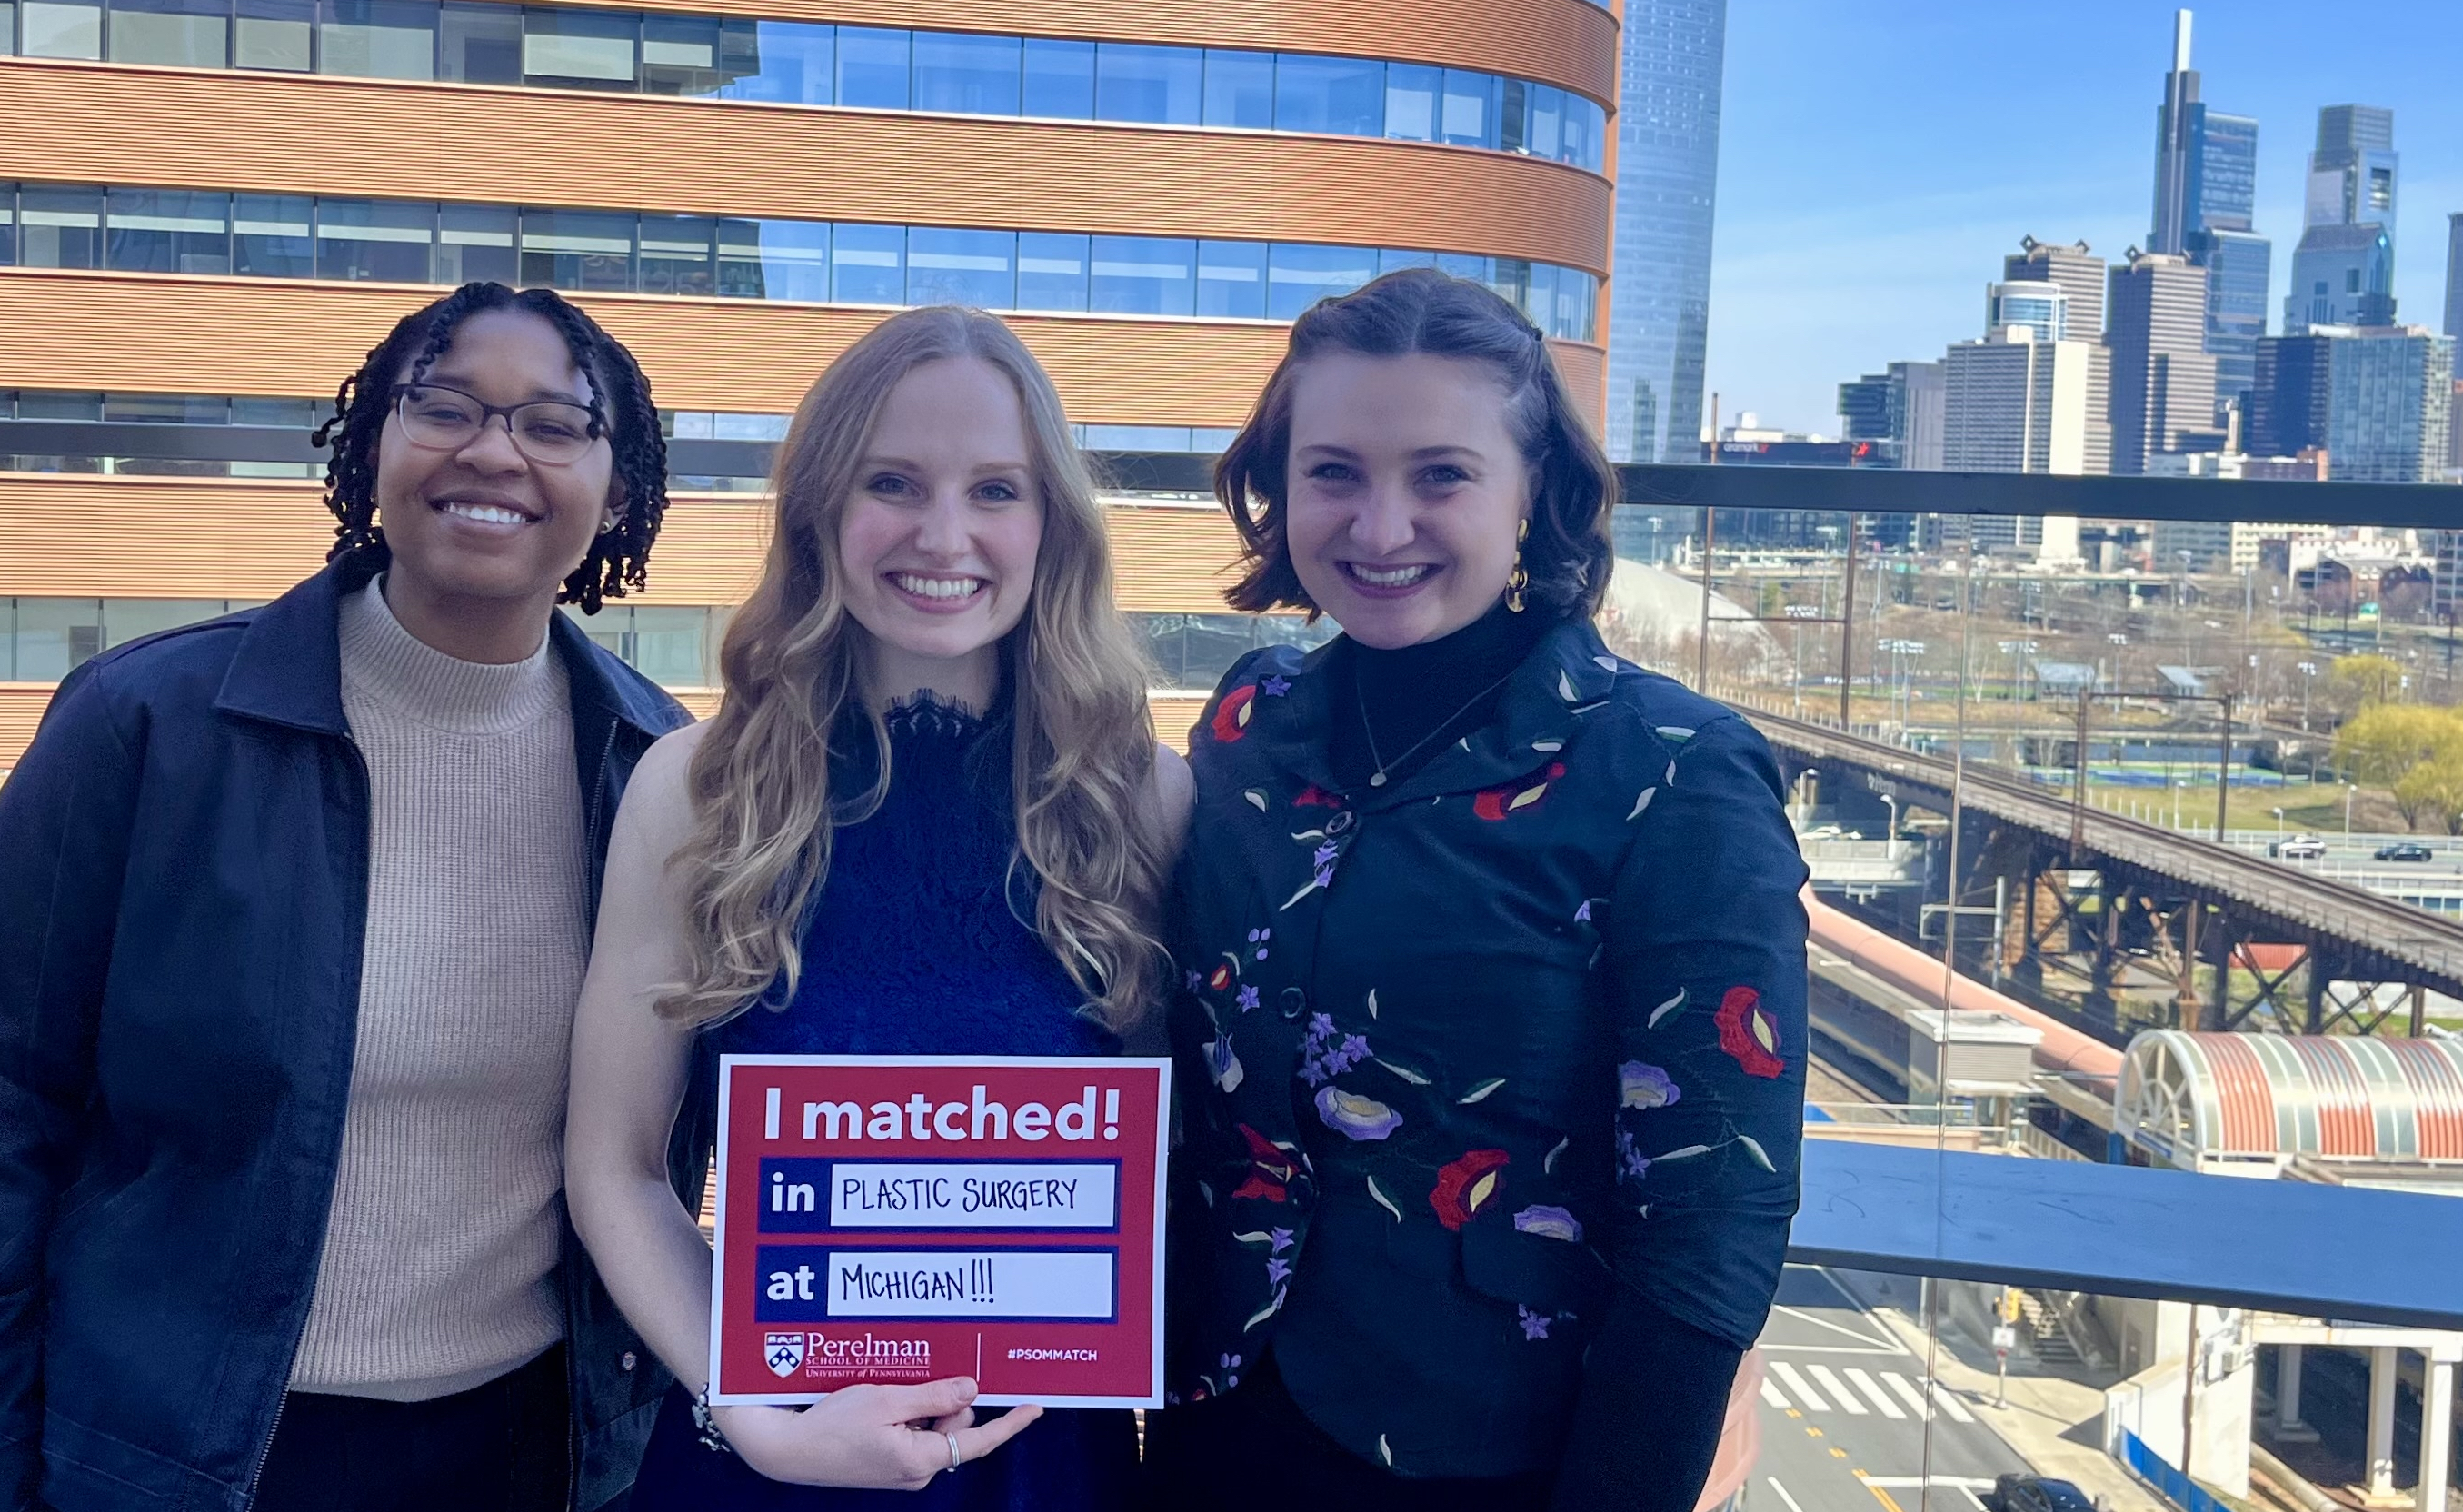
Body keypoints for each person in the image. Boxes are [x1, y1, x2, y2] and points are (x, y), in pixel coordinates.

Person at [0, 283, 692, 1512]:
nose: (491, 452)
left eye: (552, 426)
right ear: (372, 448)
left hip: (532, 1455)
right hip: (187, 1464)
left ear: (615, 492)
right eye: (446, 408)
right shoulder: (149, 727)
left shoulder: (656, 773)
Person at [1142, 270, 1808, 1512]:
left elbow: (1713, 1209)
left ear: (1533, 497)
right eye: (1332, 471)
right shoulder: (1250, 721)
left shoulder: (1671, 772)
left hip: (1498, 1457)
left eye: (1438, 475)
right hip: (1218, 1415)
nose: (1378, 525)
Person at [563, 305, 1193, 1508]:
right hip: (773, 1460)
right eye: (891, 482)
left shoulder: (1142, 801)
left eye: (996, 490)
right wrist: (749, 1415)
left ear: (1053, 520)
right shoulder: (700, 788)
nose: (943, 533)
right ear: (819, 512)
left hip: (1042, 1469)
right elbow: (616, 1164)